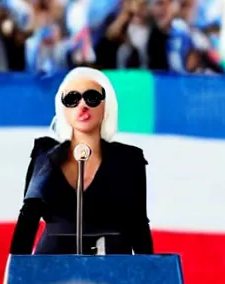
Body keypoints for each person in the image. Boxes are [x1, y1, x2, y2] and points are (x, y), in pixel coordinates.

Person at [9, 67, 153, 255]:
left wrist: (149, 275)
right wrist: (19, 274)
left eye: (92, 97)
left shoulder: (129, 159)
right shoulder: (45, 155)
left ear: (106, 106)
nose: (82, 105)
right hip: (52, 266)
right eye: (72, 99)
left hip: (112, 265)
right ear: (63, 109)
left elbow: (138, 224)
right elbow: (28, 218)